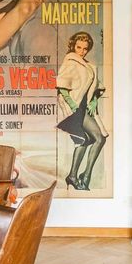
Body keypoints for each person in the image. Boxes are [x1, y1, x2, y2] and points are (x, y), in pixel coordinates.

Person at [56, 32, 107, 191]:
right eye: (79, 47)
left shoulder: (90, 66)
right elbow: (61, 85)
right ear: (73, 46)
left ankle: (73, 176)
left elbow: (97, 87)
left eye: (85, 49)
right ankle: (85, 176)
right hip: (76, 108)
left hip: (86, 107)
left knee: (86, 140)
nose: (82, 51)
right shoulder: (71, 61)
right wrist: (72, 105)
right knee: (98, 138)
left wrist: (94, 101)